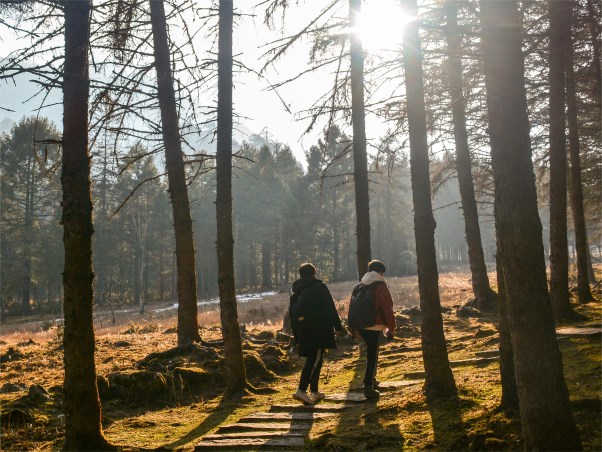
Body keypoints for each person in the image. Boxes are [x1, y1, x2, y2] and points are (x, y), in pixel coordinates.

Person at [290, 262, 346, 405]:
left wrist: (297, 338)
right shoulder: (319, 287)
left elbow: (293, 317)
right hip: (319, 330)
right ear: (314, 273)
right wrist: (338, 327)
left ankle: (314, 392)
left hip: (303, 332)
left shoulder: (296, 293)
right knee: (314, 359)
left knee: (316, 359)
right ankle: (301, 390)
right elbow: (330, 307)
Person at [351, 259, 396, 399]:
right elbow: (387, 309)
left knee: (369, 354)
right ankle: (368, 387)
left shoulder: (359, 286)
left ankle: (371, 380)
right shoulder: (381, 287)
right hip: (375, 326)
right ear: (381, 272)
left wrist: (355, 329)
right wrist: (391, 328)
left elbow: (352, 308)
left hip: (361, 325)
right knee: (372, 356)